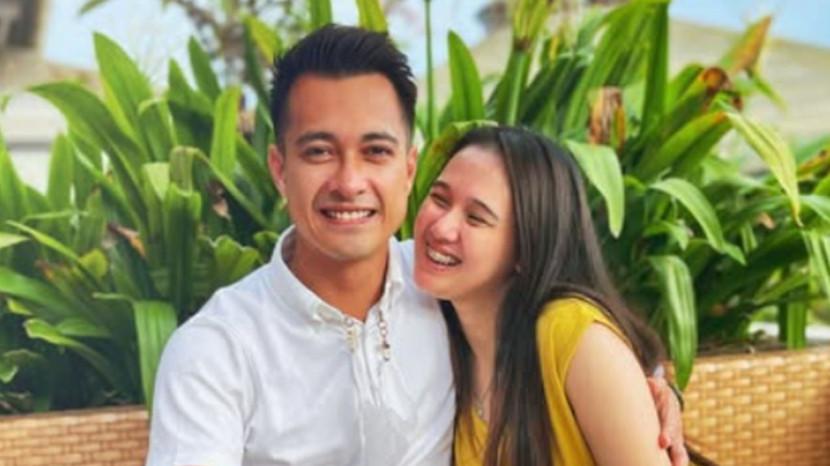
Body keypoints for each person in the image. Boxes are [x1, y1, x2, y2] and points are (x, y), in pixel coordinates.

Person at [145, 25, 687, 466]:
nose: (349, 182)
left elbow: (571, 331)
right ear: (279, 169)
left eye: (376, 152)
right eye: (319, 152)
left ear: (408, 169)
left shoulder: (445, 285)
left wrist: (652, 393)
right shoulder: (216, 352)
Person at [413, 125, 676, 465]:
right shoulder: (441, 333)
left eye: (476, 218)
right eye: (439, 199)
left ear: (527, 247)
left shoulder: (573, 337)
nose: (441, 228)